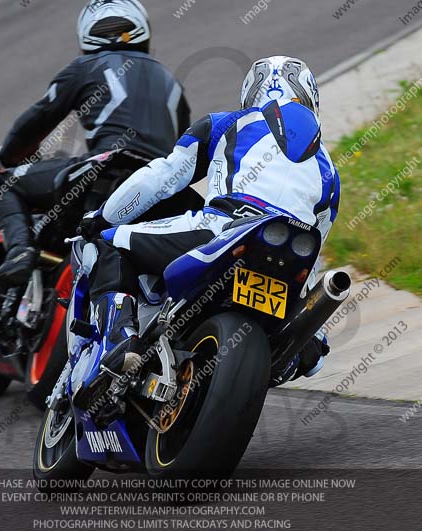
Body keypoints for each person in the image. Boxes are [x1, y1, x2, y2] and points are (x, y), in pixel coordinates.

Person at [79, 56, 341, 380]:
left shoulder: (227, 123)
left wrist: (105, 217)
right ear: (312, 98)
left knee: (108, 245)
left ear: (250, 94)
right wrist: (315, 334)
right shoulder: (331, 171)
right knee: (310, 357)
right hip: (291, 262)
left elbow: (162, 178)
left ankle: (120, 341)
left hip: (223, 229)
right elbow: (315, 254)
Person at [0, 0, 192, 296]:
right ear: (142, 29)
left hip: (105, 166)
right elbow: (182, 145)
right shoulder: (173, 84)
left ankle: (20, 255)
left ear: (87, 34)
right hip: (159, 184)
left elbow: (36, 121)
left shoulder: (85, 66)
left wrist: (3, 157)